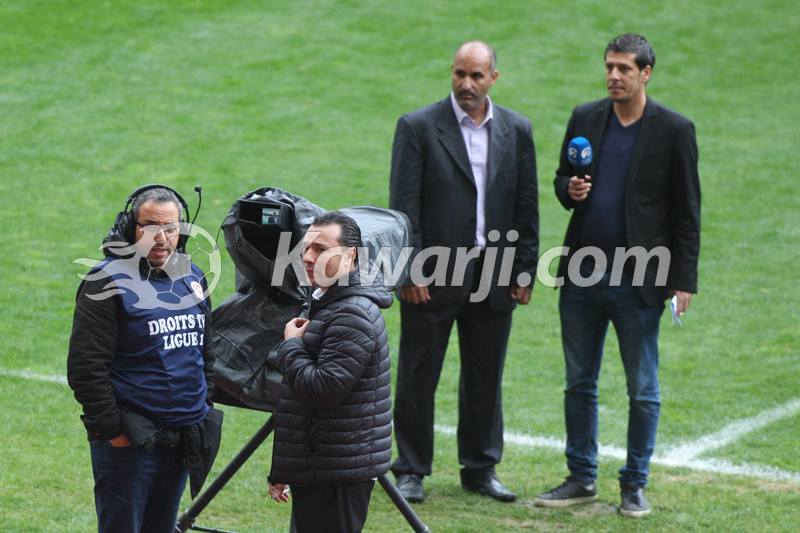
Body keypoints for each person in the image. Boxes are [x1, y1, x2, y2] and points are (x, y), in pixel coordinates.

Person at [534, 34, 701, 517]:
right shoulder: (586, 118)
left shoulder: (674, 130)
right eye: (609, 66)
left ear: (646, 73)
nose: (614, 76)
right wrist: (571, 187)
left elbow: (687, 211)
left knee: (642, 388)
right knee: (578, 382)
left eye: (625, 68)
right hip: (582, 275)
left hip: (640, 280)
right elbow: (563, 180)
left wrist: (683, 278)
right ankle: (582, 477)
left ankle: (634, 483)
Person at [388, 40, 539, 503]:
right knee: (418, 373)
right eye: (459, 74)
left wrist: (526, 267)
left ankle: (480, 468)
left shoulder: (517, 129)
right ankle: (411, 468)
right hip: (432, 275)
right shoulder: (418, 127)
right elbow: (403, 207)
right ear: (451, 73)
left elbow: (525, 203)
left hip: (493, 271)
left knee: (485, 374)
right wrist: (408, 270)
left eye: (476, 76)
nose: (466, 85)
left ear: (494, 77)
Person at [67, 185, 222, 533]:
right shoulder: (105, 282)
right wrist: (112, 432)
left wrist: (202, 403)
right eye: (150, 226)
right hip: (131, 445)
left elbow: (205, 351)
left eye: (171, 228)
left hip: (183, 438)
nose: (161, 237)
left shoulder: (192, 276)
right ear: (129, 227)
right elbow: (85, 367)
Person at [268, 211, 393, 533]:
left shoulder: (352, 313)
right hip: (326, 465)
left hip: (337, 474)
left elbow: (322, 390)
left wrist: (291, 346)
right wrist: (288, 469)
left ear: (350, 255)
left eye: (321, 249)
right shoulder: (327, 300)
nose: (308, 258)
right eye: (306, 248)